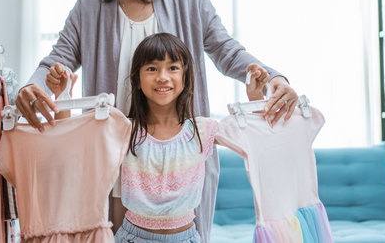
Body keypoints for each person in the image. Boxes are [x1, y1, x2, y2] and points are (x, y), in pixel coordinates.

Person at [15, 0, 298, 241]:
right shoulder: (89, 7)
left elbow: (226, 49)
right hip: (118, 162)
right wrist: (34, 85)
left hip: (181, 162)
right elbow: (57, 60)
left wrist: (273, 79)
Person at [47, 33, 271, 242]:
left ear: (185, 77)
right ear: (137, 79)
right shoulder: (123, 128)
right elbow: (72, 141)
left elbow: (255, 137)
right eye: (152, 69)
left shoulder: (203, 130)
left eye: (172, 68)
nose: (163, 77)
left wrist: (254, 97)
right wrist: (63, 96)